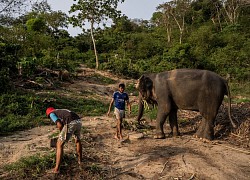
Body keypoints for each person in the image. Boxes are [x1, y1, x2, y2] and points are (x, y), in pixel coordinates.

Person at [46, 107, 83, 173]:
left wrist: (60, 135)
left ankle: (56, 169)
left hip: (70, 122)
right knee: (77, 140)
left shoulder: (52, 114)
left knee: (59, 144)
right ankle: (80, 162)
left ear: (48, 114)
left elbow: (59, 125)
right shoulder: (60, 111)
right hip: (78, 121)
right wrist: (62, 134)